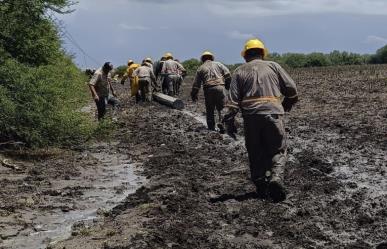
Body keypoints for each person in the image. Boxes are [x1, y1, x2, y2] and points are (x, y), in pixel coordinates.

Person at [223, 38, 298, 202]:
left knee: (255, 152)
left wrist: (229, 123)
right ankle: (276, 177)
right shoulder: (274, 66)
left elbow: (232, 103)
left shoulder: (239, 71)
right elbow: (292, 90)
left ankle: (261, 186)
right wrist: (284, 107)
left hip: (251, 118)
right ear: (263, 53)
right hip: (273, 114)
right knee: (278, 150)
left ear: (245, 56)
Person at [191, 51, 231, 131]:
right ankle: (222, 123)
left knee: (210, 109)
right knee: (222, 107)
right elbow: (228, 75)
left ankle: (211, 128)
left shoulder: (201, 68)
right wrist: (227, 86)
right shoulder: (219, 64)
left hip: (208, 89)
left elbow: (196, 84)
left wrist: (194, 94)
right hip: (220, 87)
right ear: (212, 58)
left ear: (202, 59)